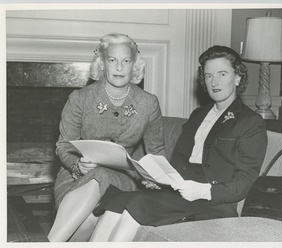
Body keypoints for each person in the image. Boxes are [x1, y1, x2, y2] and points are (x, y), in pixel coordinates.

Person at [88, 45, 268, 242]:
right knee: (118, 200)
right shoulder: (198, 115)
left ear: (237, 78)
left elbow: (245, 180)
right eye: (208, 76)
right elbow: (180, 162)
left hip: (212, 202)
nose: (214, 82)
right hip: (180, 192)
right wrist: (160, 180)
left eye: (222, 74)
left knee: (137, 203)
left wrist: (202, 190)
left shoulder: (250, 122)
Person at [47, 33, 166, 242]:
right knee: (85, 222)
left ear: (134, 65)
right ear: (103, 64)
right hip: (77, 178)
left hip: (123, 179)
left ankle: (48, 242)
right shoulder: (80, 98)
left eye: (126, 61)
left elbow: (157, 152)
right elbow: (64, 145)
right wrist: (77, 165)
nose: (119, 67)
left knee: (102, 174)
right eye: (112, 60)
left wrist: (157, 177)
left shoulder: (148, 103)